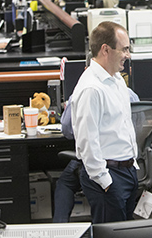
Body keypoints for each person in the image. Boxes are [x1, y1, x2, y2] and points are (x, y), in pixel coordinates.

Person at [70, 21, 138, 223]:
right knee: (111, 233)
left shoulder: (116, 79)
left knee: (126, 232)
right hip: (108, 176)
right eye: (124, 49)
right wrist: (105, 181)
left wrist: (133, 165)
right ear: (105, 50)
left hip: (127, 171)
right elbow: (87, 142)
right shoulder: (91, 88)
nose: (128, 55)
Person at [53, 88, 139, 223]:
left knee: (65, 183)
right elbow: (141, 123)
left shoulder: (83, 92)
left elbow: (68, 130)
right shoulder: (129, 94)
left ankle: (60, 227)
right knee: (120, 224)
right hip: (129, 162)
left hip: (103, 163)